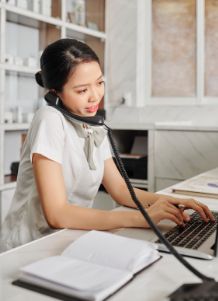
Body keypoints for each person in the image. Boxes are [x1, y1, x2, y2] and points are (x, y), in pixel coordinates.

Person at [1, 38, 214, 251]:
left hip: (68, 238)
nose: (95, 96)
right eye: (82, 90)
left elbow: (120, 189)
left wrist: (169, 202)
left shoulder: (93, 124)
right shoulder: (49, 119)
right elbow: (57, 214)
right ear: (55, 93)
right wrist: (142, 218)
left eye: (100, 82)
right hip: (28, 245)